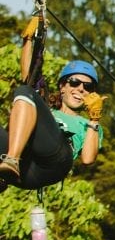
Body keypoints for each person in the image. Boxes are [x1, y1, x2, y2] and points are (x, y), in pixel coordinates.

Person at [0, 17, 106, 190]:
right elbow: (29, 76)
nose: (80, 89)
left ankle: (11, 160)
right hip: (26, 168)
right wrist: (27, 40)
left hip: (54, 163)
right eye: (74, 82)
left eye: (87, 87)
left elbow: (87, 159)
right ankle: (9, 165)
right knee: (27, 92)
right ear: (62, 86)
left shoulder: (88, 125)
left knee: (26, 92)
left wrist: (94, 119)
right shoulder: (43, 110)